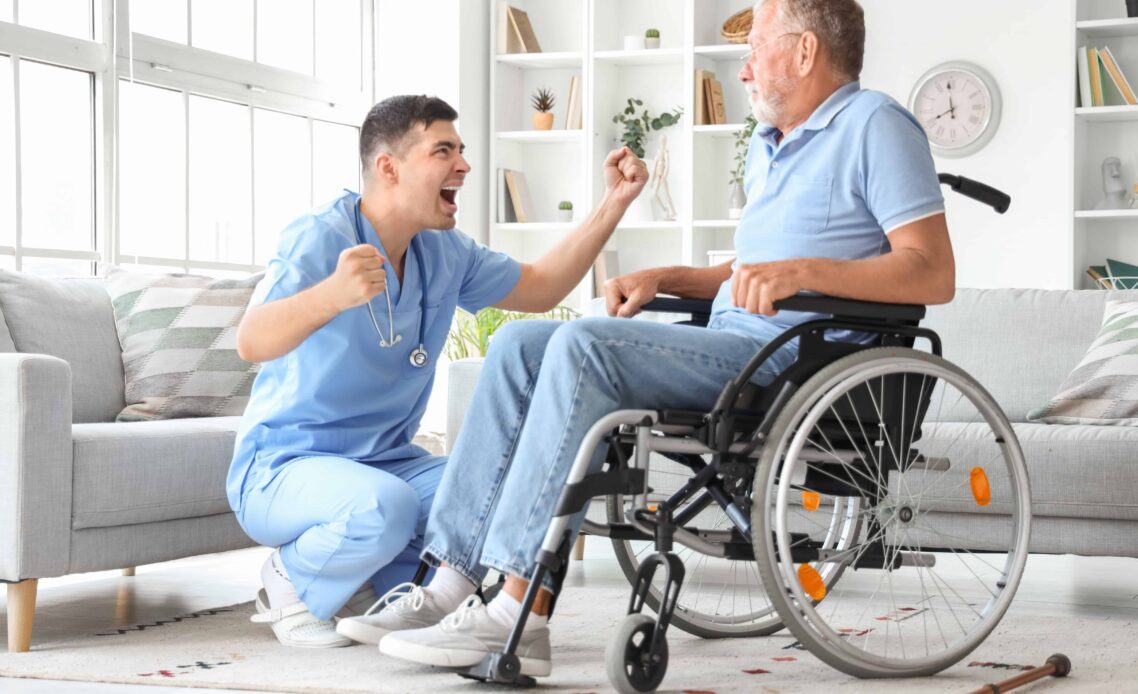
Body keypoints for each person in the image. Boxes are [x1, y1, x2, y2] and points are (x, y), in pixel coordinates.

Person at [364, 0, 958, 678]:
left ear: (804, 52)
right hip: (733, 343)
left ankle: (519, 610)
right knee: (519, 344)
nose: (744, 69)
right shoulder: (770, 146)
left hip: (798, 362)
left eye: (756, 48)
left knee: (585, 348)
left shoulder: (876, 125)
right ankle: (450, 581)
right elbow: (749, 275)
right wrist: (666, 277)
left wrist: (802, 272)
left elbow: (932, 271)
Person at [229, 94, 649, 648]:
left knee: (492, 493)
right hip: (284, 467)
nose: (464, 165)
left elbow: (541, 287)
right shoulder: (322, 235)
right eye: (443, 151)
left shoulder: (445, 250)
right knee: (386, 506)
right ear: (389, 167)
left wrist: (614, 203)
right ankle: (287, 582)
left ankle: (370, 586)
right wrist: (331, 295)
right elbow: (251, 341)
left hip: (388, 462)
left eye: (461, 150)